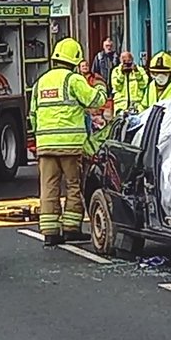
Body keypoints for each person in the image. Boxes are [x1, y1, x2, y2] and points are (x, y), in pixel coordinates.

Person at [29, 37, 106, 246]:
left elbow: (33, 115)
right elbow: (94, 100)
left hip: (45, 146)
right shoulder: (73, 80)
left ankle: (50, 233)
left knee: (48, 187)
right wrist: (100, 87)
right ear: (75, 60)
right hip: (71, 146)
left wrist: (41, 137)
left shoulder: (40, 82)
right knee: (73, 185)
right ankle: (71, 228)